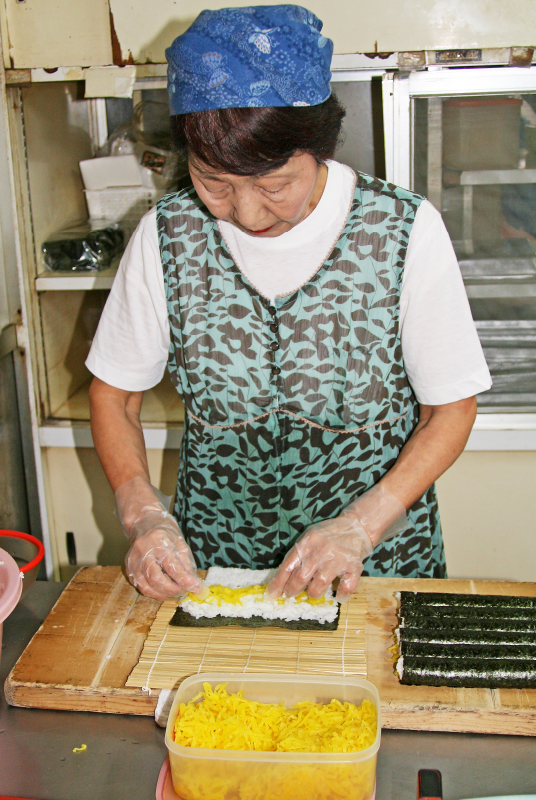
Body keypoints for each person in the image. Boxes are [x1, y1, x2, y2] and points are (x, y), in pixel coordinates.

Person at [86, 5, 491, 603]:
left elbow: (450, 411)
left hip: (375, 567)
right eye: (213, 183)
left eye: (273, 185)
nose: (246, 214)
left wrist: (361, 525)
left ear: (320, 147)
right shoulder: (166, 235)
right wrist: (142, 514)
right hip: (215, 574)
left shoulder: (402, 230)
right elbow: (114, 397)